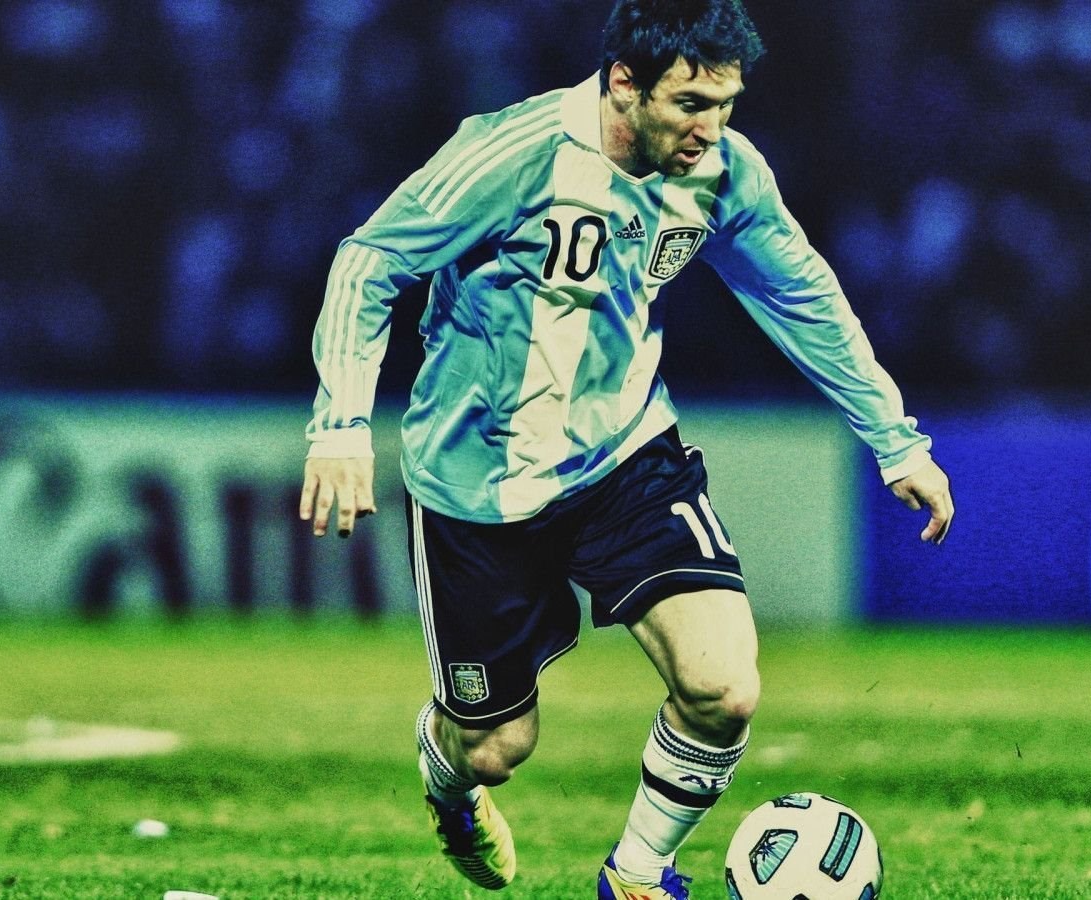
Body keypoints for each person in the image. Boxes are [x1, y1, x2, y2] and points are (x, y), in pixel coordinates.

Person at [298, 0, 953, 896]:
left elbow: (801, 294)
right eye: (690, 104)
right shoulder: (513, 152)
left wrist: (894, 439)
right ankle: (447, 778)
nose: (710, 128)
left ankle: (637, 874)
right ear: (623, 84)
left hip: (625, 458)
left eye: (725, 104)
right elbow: (369, 262)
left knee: (724, 687)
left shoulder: (723, 172)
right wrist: (340, 423)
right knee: (494, 749)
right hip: (479, 486)